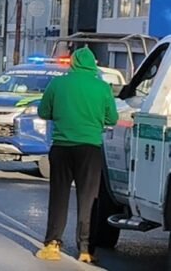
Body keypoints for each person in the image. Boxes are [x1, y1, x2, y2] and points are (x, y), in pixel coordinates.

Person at [35, 47, 118, 264]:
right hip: (90, 149)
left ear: (73, 63)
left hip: (61, 147)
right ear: (93, 64)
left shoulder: (58, 84)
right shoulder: (102, 87)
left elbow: (43, 112)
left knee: (59, 197)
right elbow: (112, 118)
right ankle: (86, 250)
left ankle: (53, 244)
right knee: (88, 199)